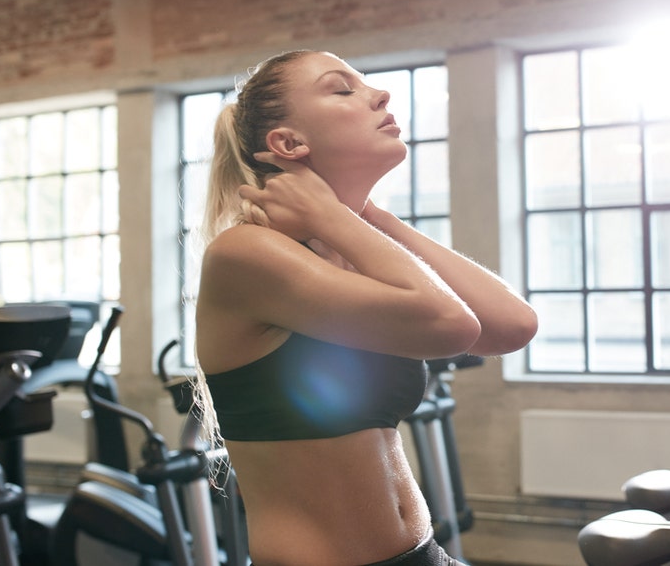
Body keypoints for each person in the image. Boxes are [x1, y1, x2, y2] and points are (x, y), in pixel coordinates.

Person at [193, 49, 539, 566]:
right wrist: (338, 217)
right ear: (288, 143)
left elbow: (511, 325)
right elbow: (452, 325)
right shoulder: (247, 253)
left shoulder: (346, 246)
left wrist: (363, 214)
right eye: (342, 89)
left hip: (422, 552)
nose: (381, 94)